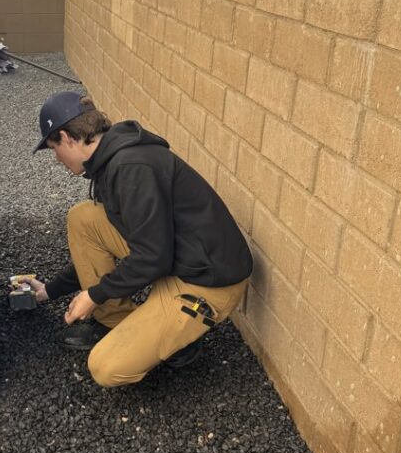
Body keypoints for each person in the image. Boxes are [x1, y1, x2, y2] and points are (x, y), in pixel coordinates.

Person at [27, 91, 253, 388]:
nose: (56, 159)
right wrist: (51, 290)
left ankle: (177, 342)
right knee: (84, 218)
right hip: (178, 255)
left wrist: (94, 295)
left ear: (67, 137)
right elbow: (144, 247)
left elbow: (153, 257)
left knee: (105, 367)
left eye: (54, 148)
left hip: (206, 281)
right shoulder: (111, 161)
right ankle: (119, 321)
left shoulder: (132, 167)